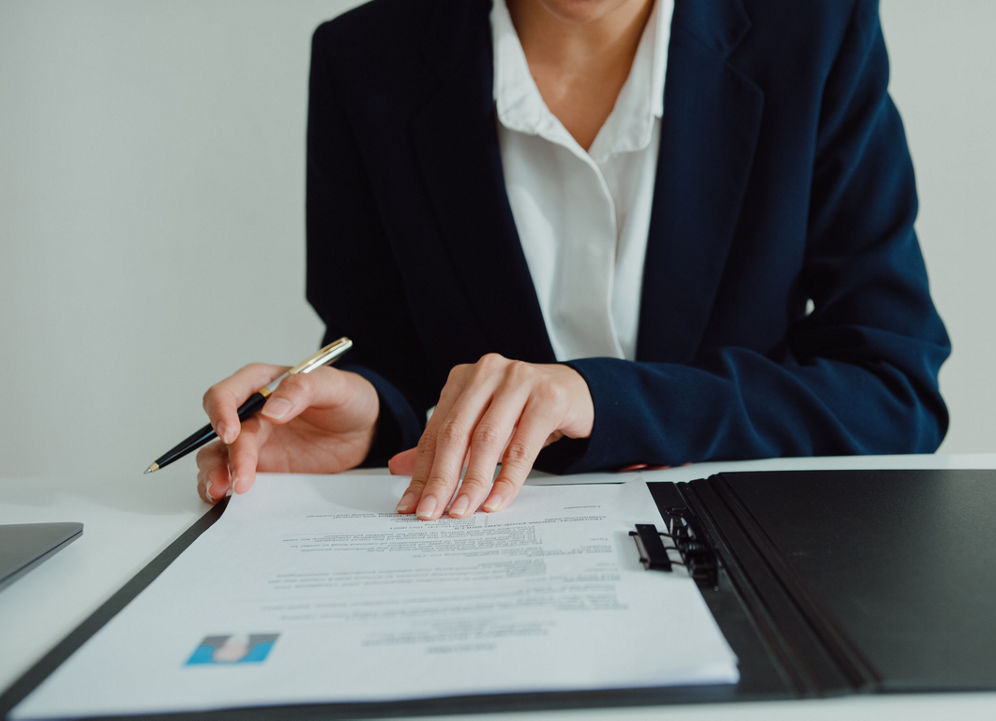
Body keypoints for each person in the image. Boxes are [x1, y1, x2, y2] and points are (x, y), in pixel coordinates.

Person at [196, 0, 950, 520]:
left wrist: (606, 401)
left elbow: (892, 388)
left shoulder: (816, 31)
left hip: (747, 561)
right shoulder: (364, 60)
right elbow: (392, 356)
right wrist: (368, 418)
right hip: (478, 565)